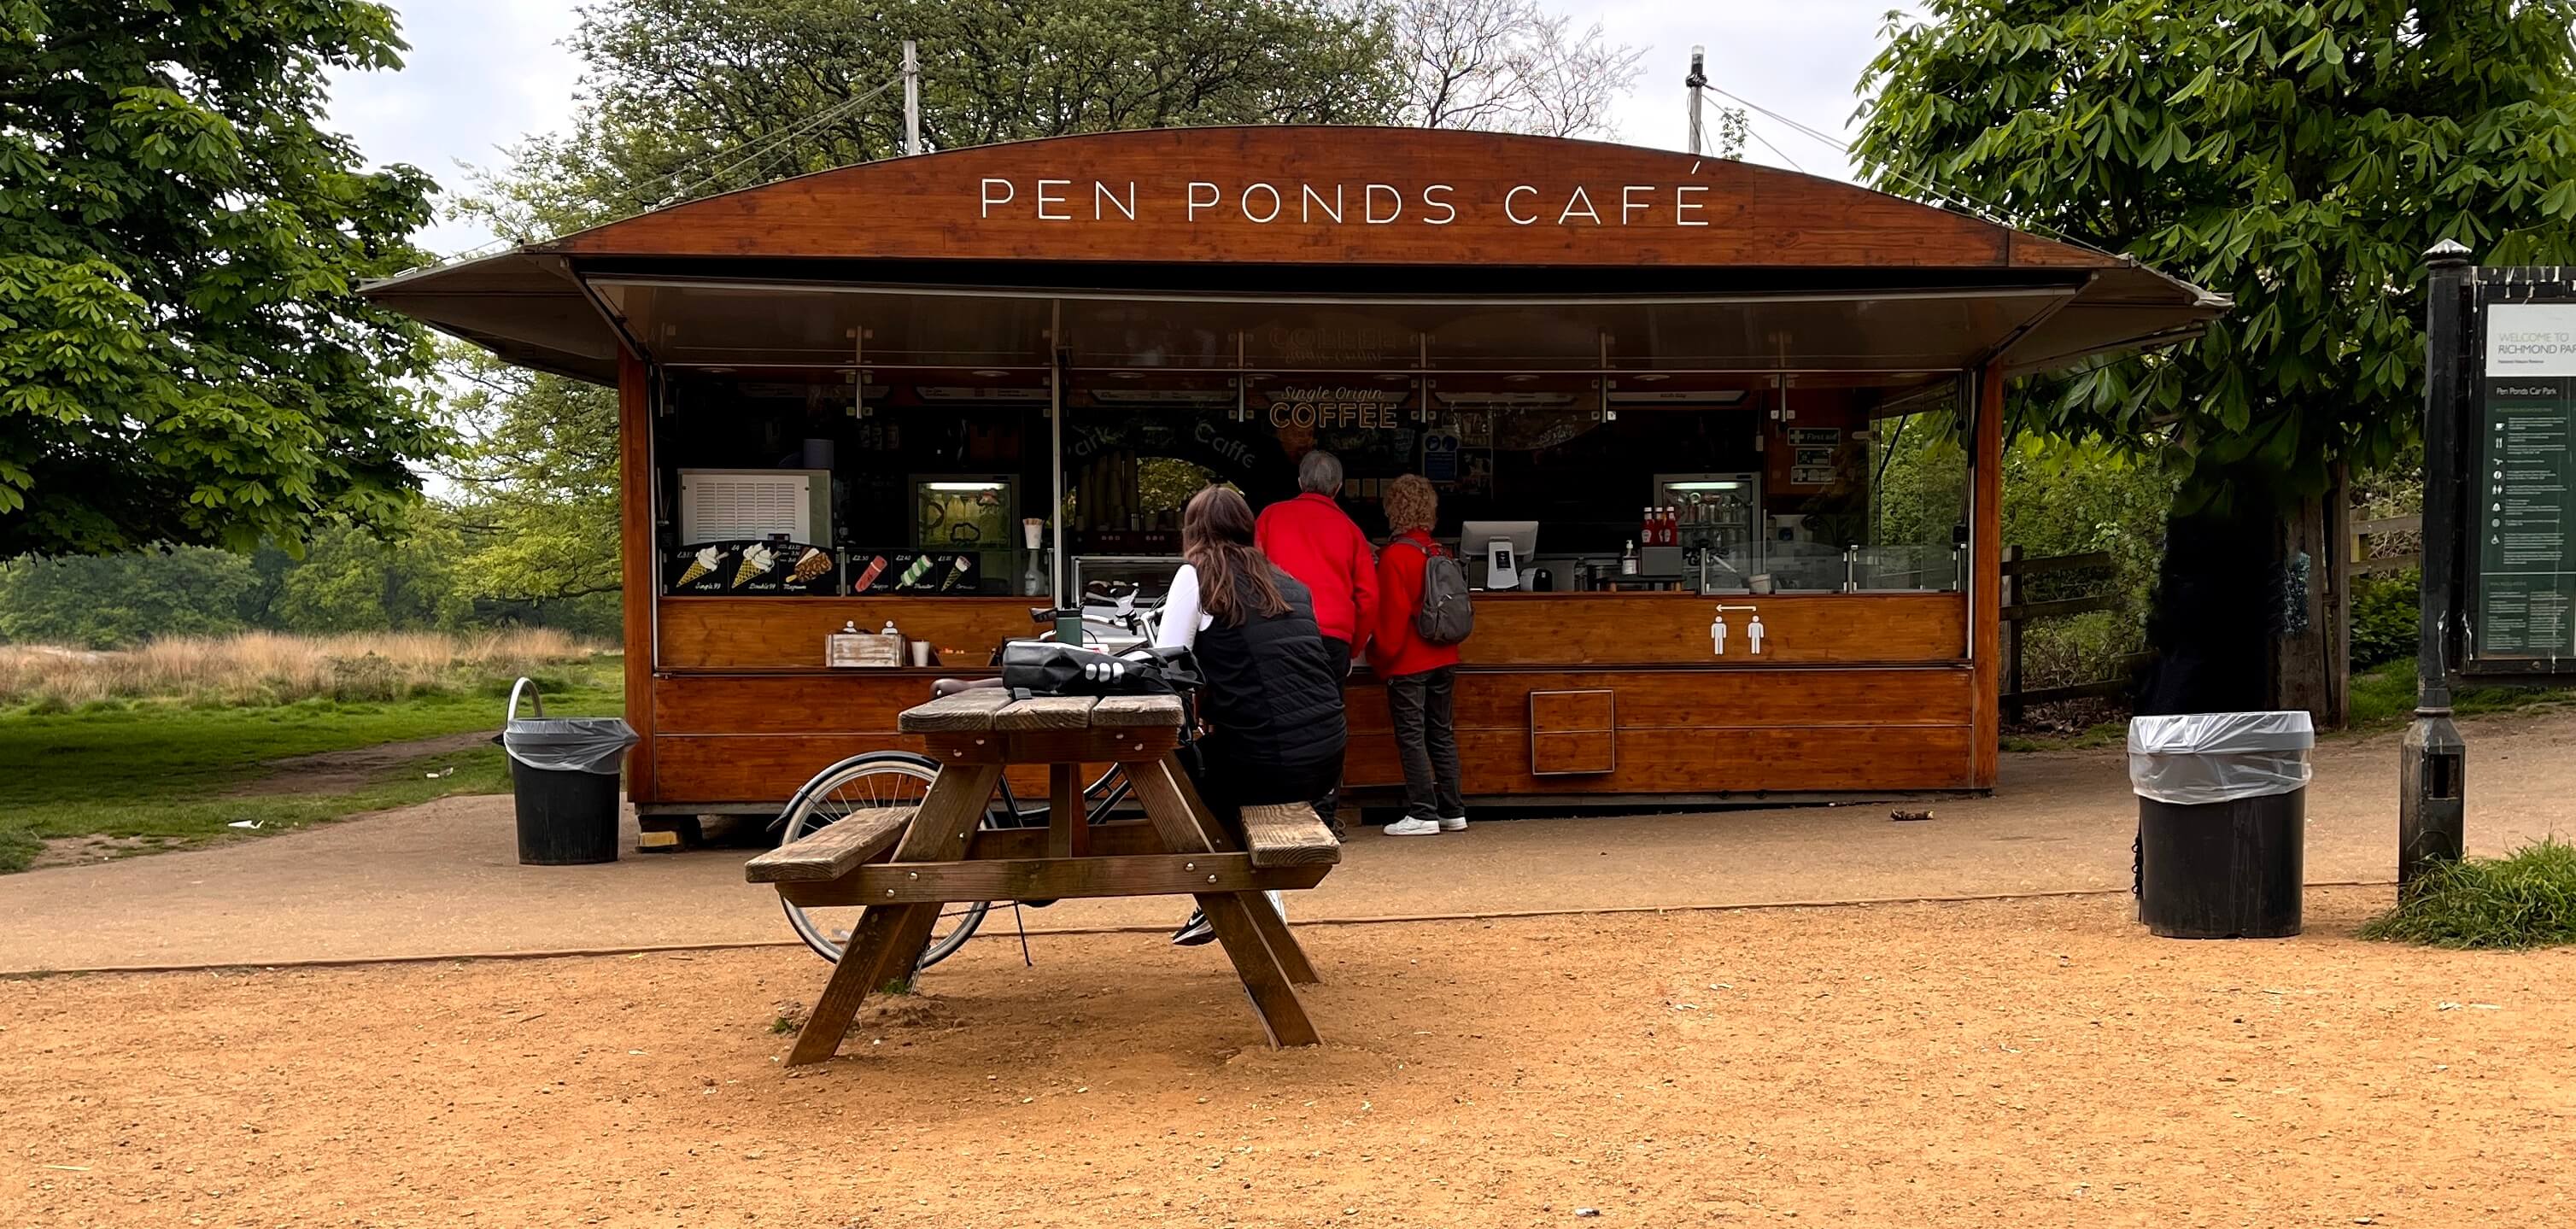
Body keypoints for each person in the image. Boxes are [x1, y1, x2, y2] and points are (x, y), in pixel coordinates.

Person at [1155, 485, 1349, 945]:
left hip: (1267, 762)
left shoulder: (1196, 575)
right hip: (1325, 760)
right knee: (1211, 763)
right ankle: (1226, 893)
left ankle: (1230, 892)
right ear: (1247, 527)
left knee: (1166, 771)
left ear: (1192, 531)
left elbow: (1166, 667)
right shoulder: (1287, 581)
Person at [1253, 449, 1377, 835]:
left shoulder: (1270, 516)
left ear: (1300, 482)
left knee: (1278, 719)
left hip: (1279, 632)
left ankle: (1280, 812)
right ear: (1338, 488)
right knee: (1327, 725)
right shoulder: (1351, 530)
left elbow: (1253, 576)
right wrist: (1353, 646)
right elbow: (1369, 597)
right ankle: (1323, 813)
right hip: (1332, 637)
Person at [1369, 474, 1467, 836]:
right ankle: (1453, 810)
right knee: (1441, 733)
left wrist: (1379, 658)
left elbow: (1391, 624)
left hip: (1409, 662)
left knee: (1411, 736)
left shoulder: (1395, 556)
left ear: (1393, 509)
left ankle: (1423, 812)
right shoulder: (1441, 552)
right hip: (1445, 656)